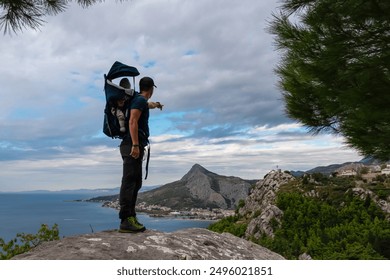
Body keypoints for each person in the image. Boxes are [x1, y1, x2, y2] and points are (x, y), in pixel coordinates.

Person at [118, 76, 157, 233]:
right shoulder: (139, 101)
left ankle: (131, 216)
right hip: (132, 145)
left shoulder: (139, 100)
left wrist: (155, 105)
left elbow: (146, 105)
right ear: (151, 89)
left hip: (133, 145)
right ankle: (126, 220)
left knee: (136, 182)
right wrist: (135, 145)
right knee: (129, 182)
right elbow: (132, 121)